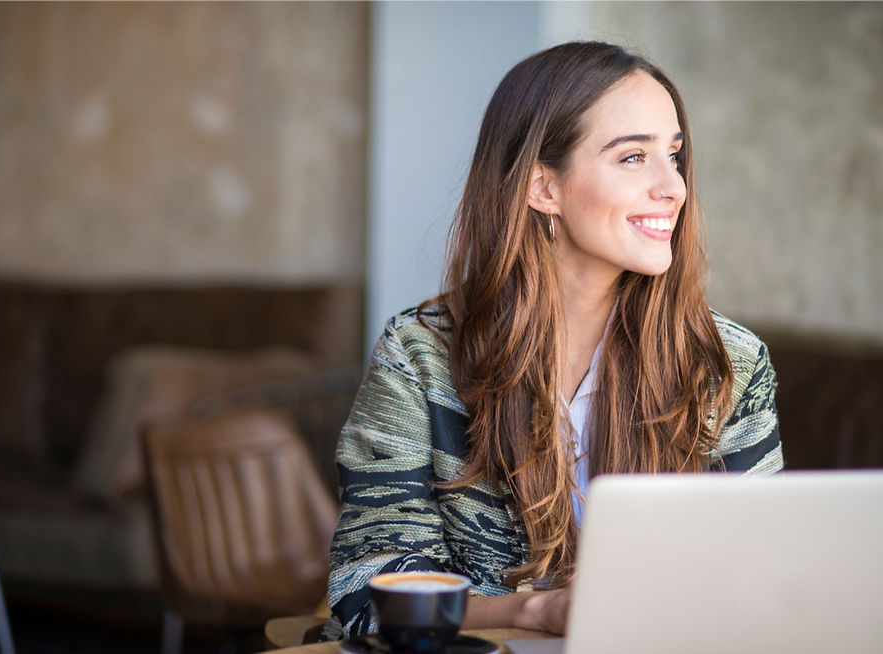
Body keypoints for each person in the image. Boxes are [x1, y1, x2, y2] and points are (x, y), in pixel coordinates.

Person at [322, 40, 782, 641]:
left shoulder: (728, 363)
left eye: (675, 155)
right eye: (633, 158)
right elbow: (369, 588)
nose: (674, 187)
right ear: (543, 186)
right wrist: (535, 610)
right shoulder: (420, 357)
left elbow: (761, 576)